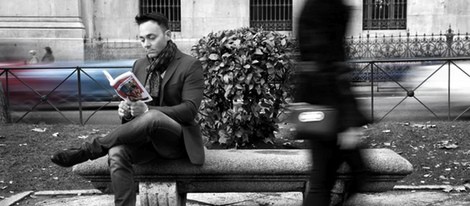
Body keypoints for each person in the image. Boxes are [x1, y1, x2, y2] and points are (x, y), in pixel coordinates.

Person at [50, 12, 205, 206]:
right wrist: (127, 110)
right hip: (145, 142)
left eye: (151, 37)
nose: (146, 44)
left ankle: (88, 150)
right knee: (116, 151)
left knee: (153, 117)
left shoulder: (190, 65)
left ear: (168, 35)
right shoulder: (140, 65)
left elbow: (190, 110)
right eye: (141, 39)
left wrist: (147, 111)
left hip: (177, 141)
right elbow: (136, 107)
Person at [295, 0, 371, 205]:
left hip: (317, 104)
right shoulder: (325, 7)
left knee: (324, 179)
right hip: (331, 109)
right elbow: (329, 66)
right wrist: (347, 122)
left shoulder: (312, 7)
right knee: (340, 176)